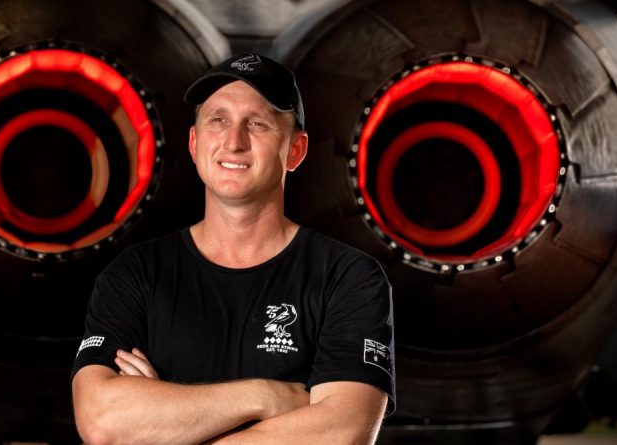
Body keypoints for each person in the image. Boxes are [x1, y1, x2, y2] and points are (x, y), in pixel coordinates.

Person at [71, 53, 395, 445]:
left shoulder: (348, 277)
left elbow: (342, 433)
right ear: (194, 143)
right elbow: (102, 421)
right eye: (217, 120)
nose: (234, 142)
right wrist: (268, 396)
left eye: (257, 124)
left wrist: (162, 427)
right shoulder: (137, 273)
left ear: (295, 150)